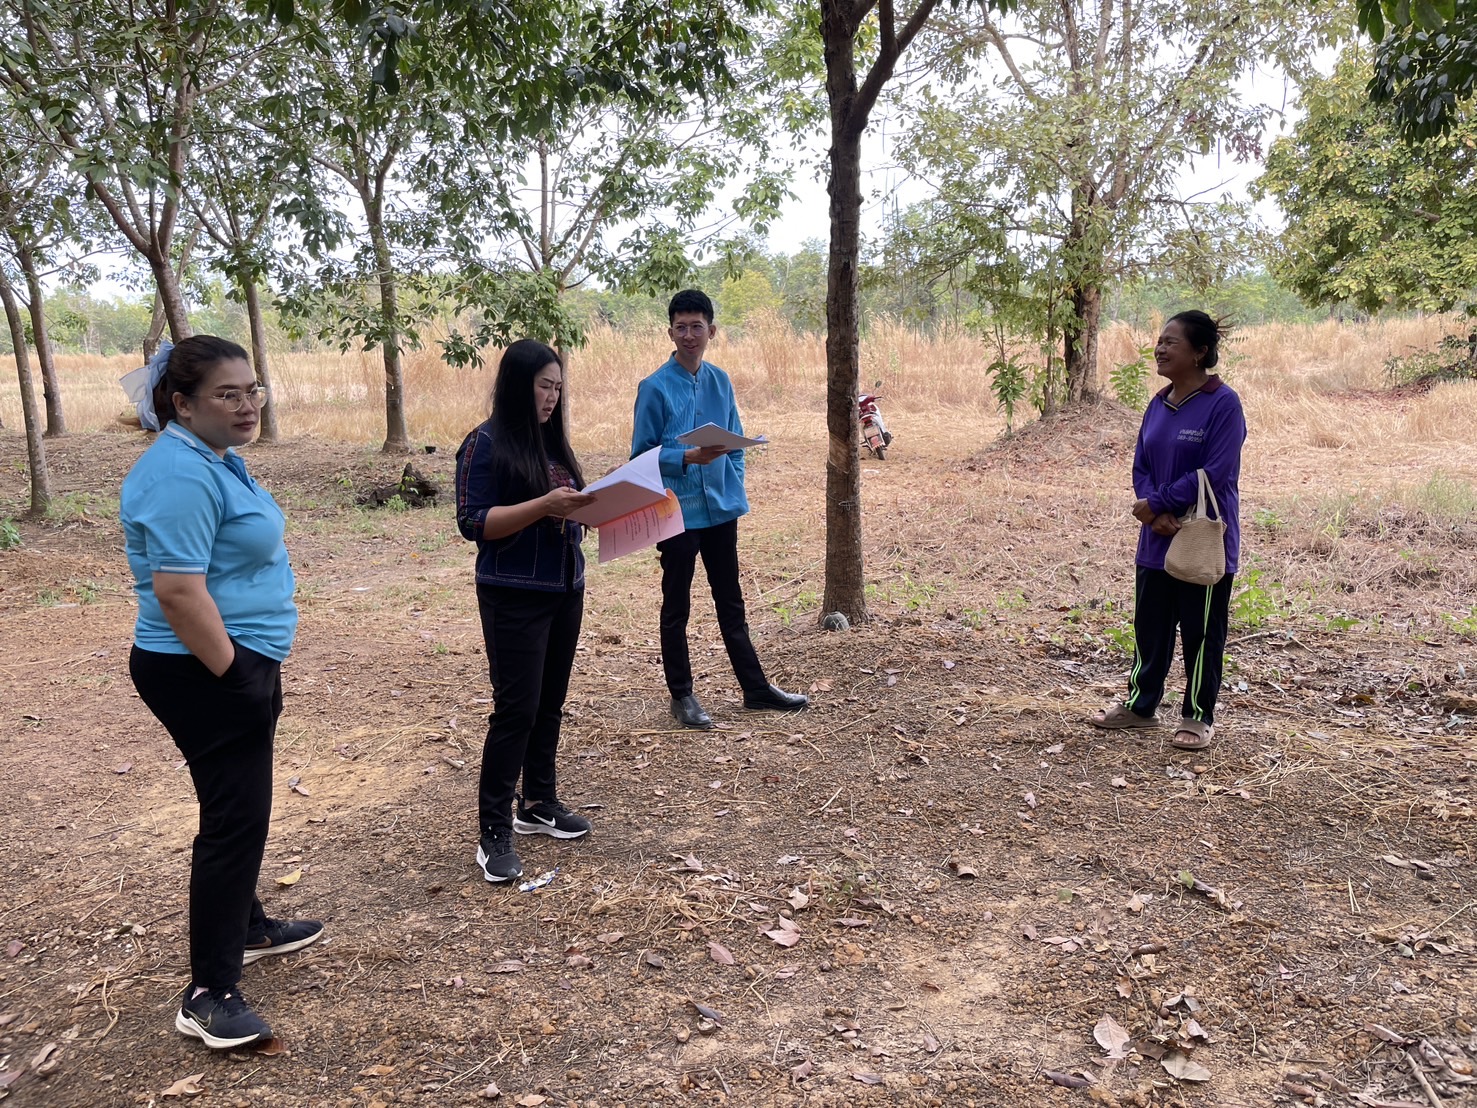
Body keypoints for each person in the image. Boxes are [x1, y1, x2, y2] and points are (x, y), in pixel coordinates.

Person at [120, 336, 323, 1052]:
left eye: (252, 389)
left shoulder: (212, 459)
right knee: (235, 818)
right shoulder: (179, 472)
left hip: (229, 660)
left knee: (237, 806)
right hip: (201, 668)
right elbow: (177, 590)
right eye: (226, 394)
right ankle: (208, 991)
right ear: (182, 404)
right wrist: (236, 676)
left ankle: (248, 926)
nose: (246, 406)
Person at [631, 289, 809, 730]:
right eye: (680, 327)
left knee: (731, 601)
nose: (689, 335)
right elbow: (640, 457)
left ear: (712, 330)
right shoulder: (654, 388)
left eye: (697, 326)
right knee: (676, 606)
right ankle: (682, 695)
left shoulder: (720, 381)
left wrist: (734, 484)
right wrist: (683, 459)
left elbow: (736, 444)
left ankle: (755, 689)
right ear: (669, 332)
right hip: (676, 513)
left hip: (721, 511)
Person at [456, 339, 597, 884]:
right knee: (516, 710)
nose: (552, 397)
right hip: (513, 592)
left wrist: (596, 508)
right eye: (544, 385)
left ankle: (537, 801)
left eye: (559, 388)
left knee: (550, 704)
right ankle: (494, 829)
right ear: (518, 383)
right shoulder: (484, 444)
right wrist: (544, 506)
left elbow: (571, 505)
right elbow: (474, 522)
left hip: (564, 585)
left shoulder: (552, 444)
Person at [1090, 311, 1246, 751]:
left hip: (1202, 540)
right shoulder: (1158, 403)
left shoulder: (1223, 404)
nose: (1160, 349)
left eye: (1171, 342)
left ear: (1199, 352)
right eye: (1159, 341)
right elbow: (1142, 463)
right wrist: (1151, 512)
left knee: (1202, 631)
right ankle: (1141, 708)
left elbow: (1215, 471)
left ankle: (1197, 716)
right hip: (1156, 538)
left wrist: (1157, 503)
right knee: (1151, 627)